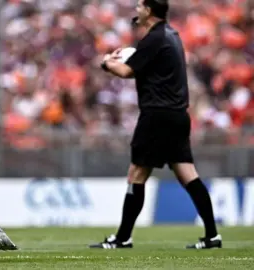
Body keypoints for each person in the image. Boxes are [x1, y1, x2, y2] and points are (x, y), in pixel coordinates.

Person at [89, 0, 221, 249]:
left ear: (148, 10)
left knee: (137, 173)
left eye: (139, 6)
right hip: (178, 115)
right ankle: (213, 235)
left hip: (157, 115)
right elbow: (140, 68)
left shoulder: (154, 38)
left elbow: (127, 71)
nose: (136, 10)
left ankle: (122, 238)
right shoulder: (172, 35)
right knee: (187, 174)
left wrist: (106, 62)